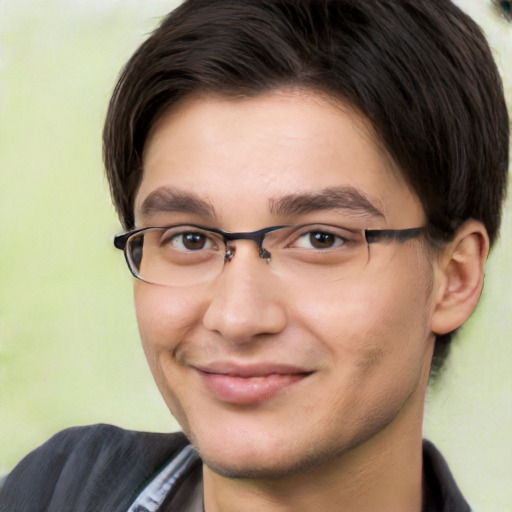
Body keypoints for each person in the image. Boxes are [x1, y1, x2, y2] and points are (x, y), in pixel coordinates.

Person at [1, 0, 509, 510]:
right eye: (189, 239)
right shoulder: (59, 488)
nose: (236, 317)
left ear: (455, 277)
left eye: (320, 239)